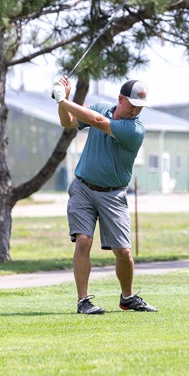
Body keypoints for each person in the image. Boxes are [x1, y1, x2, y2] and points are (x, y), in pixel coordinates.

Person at [52, 76, 158, 315]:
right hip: (82, 188)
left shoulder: (135, 129)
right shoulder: (101, 107)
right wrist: (63, 101)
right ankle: (83, 302)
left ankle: (127, 297)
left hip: (113, 195)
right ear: (120, 99)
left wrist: (64, 99)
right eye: (132, 105)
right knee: (83, 241)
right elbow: (68, 122)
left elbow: (98, 121)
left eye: (140, 107)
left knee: (123, 252)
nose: (136, 111)